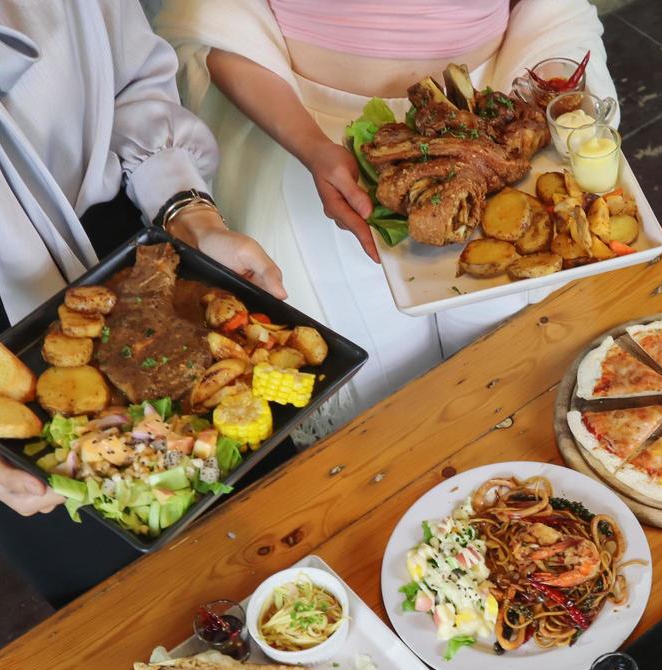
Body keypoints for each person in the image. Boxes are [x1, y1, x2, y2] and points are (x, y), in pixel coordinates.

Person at [0, 0, 286, 607]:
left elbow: (130, 83)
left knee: (297, 541)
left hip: (152, 283)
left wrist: (191, 217)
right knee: (135, 629)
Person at [153, 0, 618, 441]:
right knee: (379, 409)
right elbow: (212, 16)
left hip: (498, 124)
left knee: (520, 386)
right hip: (308, 138)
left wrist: (550, 95)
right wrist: (313, 147)